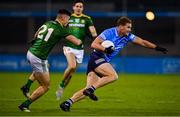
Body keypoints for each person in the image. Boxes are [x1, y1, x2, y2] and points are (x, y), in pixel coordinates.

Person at [59, 16, 168, 111]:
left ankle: (68, 103)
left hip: (100, 61)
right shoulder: (109, 32)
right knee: (113, 76)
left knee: (87, 89)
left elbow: (142, 42)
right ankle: (91, 89)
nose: (130, 29)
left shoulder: (128, 36)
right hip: (97, 57)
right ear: (121, 26)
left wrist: (157, 48)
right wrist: (105, 49)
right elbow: (94, 44)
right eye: (128, 27)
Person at [18, 9, 82, 112]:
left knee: (45, 67)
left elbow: (36, 34)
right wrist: (80, 40)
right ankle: (25, 105)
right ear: (63, 17)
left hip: (30, 52)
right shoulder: (61, 29)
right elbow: (76, 42)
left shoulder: (48, 23)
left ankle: (26, 86)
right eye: (68, 20)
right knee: (45, 86)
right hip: (38, 57)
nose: (68, 22)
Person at [55, 0, 97, 100]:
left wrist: (96, 39)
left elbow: (93, 32)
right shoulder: (69, 18)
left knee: (71, 74)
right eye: (77, 6)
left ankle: (61, 89)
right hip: (68, 46)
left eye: (81, 6)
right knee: (72, 66)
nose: (78, 8)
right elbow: (60, 28)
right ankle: (61, 85)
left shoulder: (87, 19)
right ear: (73, 7)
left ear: (83, 8)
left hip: (80, 49)